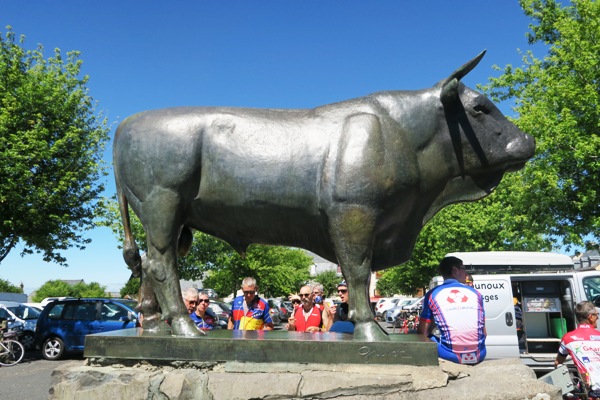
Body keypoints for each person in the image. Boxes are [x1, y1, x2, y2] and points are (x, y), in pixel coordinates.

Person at [418, 256, 486, 364]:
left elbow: (423, 332)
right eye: (464, 269)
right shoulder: (476, 293)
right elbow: (484, 333)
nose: (466, 274)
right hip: (480, 354)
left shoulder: (433, 294)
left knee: (418, 335)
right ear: (455, 270)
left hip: (450, 355)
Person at [555, 301, 600, 397]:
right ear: (590, 316)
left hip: (587, 389)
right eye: (597, 315)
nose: (598, 318)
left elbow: (558, 363)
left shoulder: (567, 338)